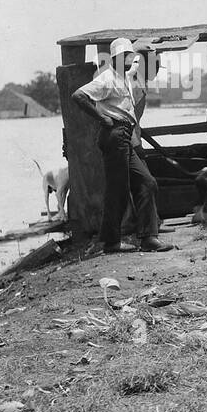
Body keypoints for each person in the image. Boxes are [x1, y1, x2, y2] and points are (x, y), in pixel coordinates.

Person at [70, 37, 173, 253]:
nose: (132, 59)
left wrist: (149, 48)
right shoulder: (106, 79)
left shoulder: (124, 75)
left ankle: (148, 238)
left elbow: (141, 63)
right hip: (114, 134)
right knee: (117, 190)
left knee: (147, 182)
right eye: (128, 56)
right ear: (117, 58)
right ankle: (111, 242)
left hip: (125, 134)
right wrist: (101, 118)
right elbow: (79, 95)